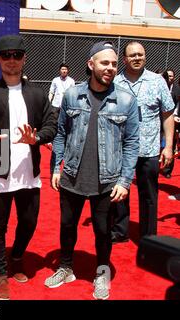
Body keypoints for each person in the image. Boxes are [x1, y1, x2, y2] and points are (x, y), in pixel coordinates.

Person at [45, 41, 139, 300]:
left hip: (107, 181)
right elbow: (61, 132)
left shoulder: (127, 100)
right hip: (71, 176)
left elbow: (132, 143)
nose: (110, 68)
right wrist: (56, 166)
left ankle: (101, 273)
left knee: (101, 231)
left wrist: (125, 180)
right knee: (67, 226)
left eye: (112, 63)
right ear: (91, 64)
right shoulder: (72, 95)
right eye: (104, 63)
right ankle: (66, 267)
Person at [0, 34, 57, 300]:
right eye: (6, 56)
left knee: (29, 222)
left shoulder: (38, 94)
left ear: (24, 59)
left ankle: (17, 257)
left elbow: (52, 124)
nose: (11, 61)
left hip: (30, 172)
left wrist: (37, 138)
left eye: (17, 55)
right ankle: (1, 273)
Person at [112, 41, 175, 242]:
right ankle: (120, 231)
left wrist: (169, 146)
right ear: (125, 59)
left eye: (140, 54)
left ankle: (148, 236)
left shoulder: (157, 81)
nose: (137, 58)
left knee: (149, 195)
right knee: (120, 191)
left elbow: (167, 114)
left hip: (149, 149)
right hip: (120, 149)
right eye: (132, 55)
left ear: (145, 56)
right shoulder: (115, 82)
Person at [160, 69, 179, 178]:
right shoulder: (159, 88)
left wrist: (176, 116)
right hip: (158, 122)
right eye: (168, 76)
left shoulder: (177, 90)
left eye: (171, 76)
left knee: (169, 144)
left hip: (173, 121)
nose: (169, 78)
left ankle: (167, 170)